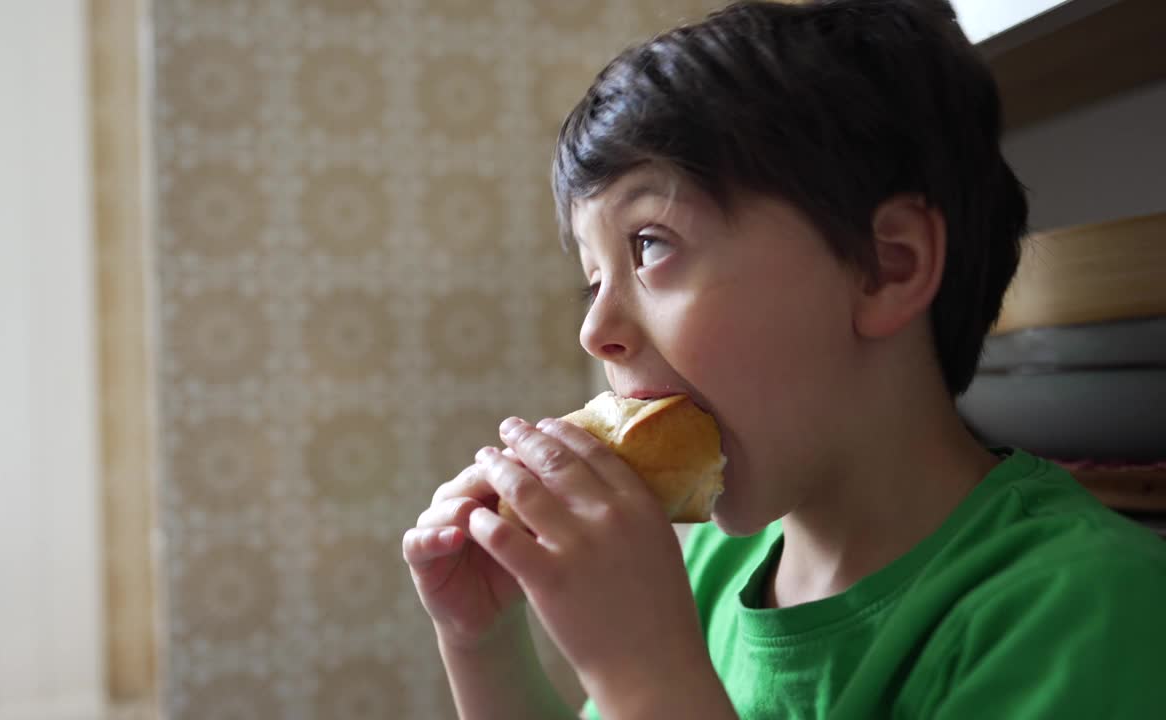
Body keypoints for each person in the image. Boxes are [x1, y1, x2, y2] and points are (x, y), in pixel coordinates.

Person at [401, 1, 1166, 717]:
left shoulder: (1087, 605)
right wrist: (486, 644)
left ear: (884, 267)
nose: (595, 329)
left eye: (650, 244)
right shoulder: (705, 573)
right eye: (592, 282)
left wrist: (644, 673)